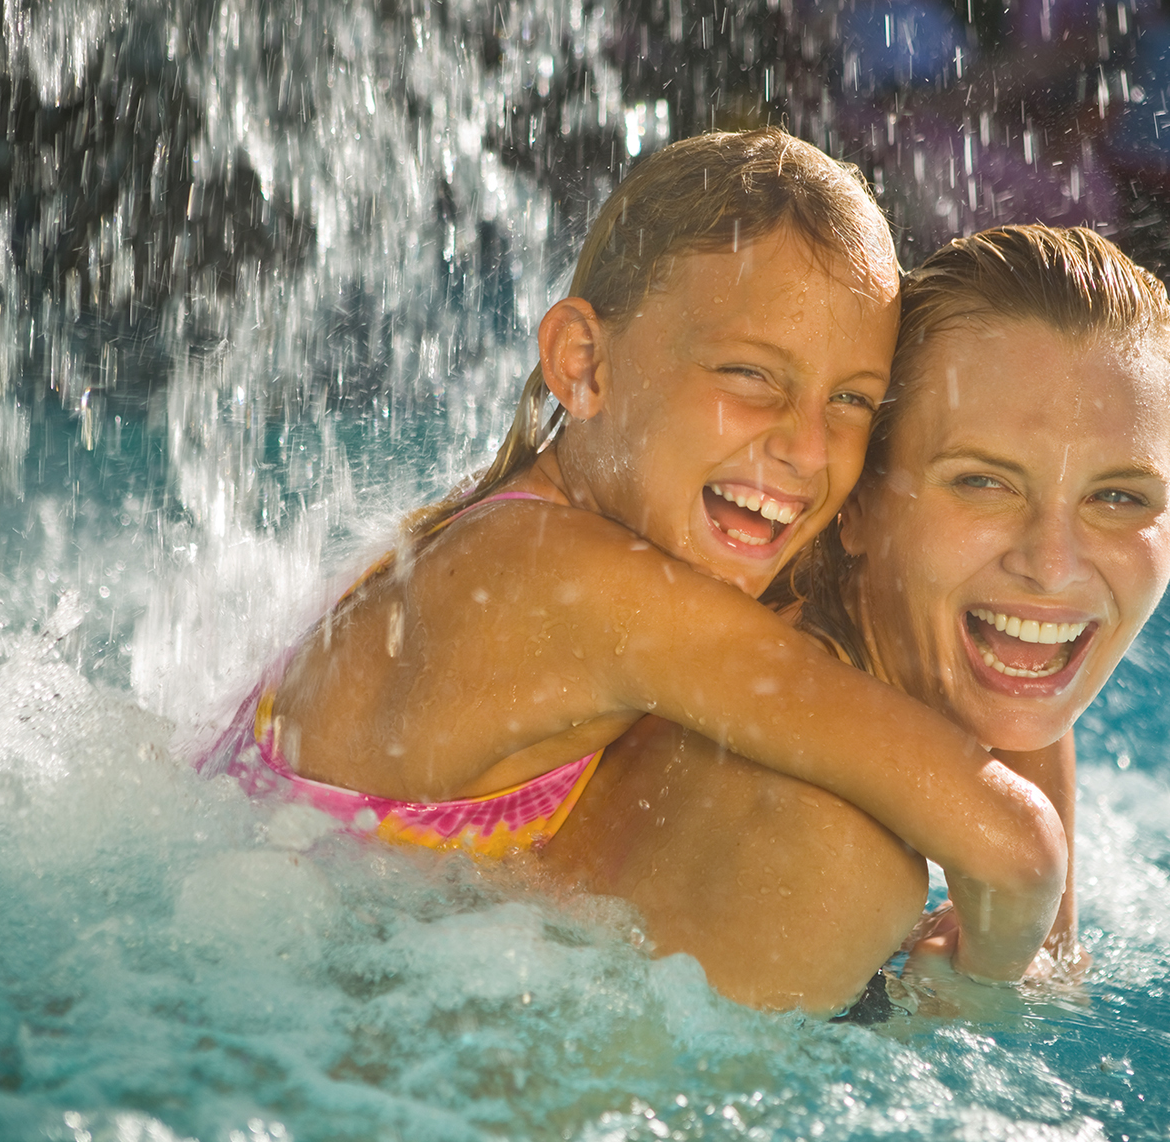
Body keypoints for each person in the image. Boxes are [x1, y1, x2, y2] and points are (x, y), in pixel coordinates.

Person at [199, 131, 1068, 987]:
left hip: (297, 927)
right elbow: (1014, 850)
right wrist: (984, 981)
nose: (808, 449)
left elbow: (1003, 672)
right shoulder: (559, 579)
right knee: (853, 854)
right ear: (583, 365)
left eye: (851, 400)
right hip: (253, 988)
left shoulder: (563, 514)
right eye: (751, 376)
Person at [540, 224, 1170, 1014]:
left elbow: (1032, 720)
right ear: (856, 505)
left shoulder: (972, 649)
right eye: (984, 484)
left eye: (1118, 497)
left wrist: (1033, 942)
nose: (1054, 567)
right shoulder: (825, 855)